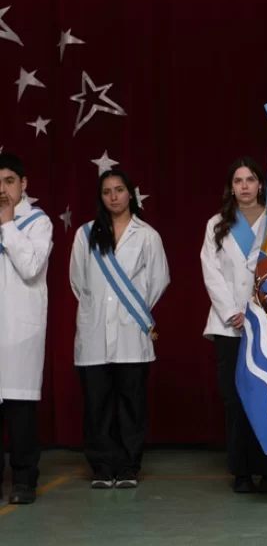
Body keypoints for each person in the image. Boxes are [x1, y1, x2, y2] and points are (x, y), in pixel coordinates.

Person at [70, 169, 170, 489]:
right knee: (97, 402)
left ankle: (128, 465)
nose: (113, 196)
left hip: (132, 331)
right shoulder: (85, 234)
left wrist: (133, 310)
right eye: (106, 191)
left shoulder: (148, 235)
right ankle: (101, 466)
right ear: (100, 197)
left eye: (119, 190)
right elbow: (78, 282)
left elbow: (159, 280)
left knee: (131, 402)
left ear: (130, 194)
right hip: (94, 331)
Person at [201, 157, 267, 494]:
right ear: (231, 187)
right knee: (235, 399)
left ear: (260, 184)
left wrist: (260, 310)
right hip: (229, 324)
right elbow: (210, 270)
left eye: (250, 179)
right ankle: (241, 471)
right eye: (238, 181)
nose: (245, 186)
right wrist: (233, 310)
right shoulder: (217, 223)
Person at [0, 153, 53, 505]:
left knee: (20, 410)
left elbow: (31, 266)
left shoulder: (37, 222)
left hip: (20, 330)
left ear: (24, 184)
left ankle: (23, 480)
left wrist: (6, 224)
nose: (2, 189)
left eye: (9, 181)